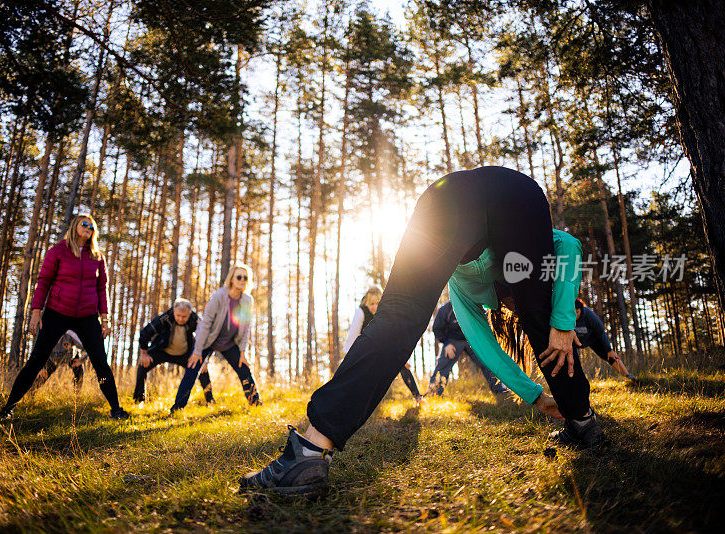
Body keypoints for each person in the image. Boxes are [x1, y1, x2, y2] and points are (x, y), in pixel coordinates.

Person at [240, 166, 605, 495]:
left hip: (447, 197)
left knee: (402, 315)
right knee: (405, 315)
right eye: (508, 307)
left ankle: (308, 452)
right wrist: (555, 341)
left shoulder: (490, 281)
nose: (508, 308)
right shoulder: (464, 292)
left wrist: (555, 336)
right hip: (499, 193)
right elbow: (489, 343)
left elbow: (565, 253)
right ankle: (583, 419)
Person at [0, 214, 129, 420]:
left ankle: (116, 410)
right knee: (37, 360)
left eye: (92, 226)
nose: (88, 228)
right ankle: (8, 409)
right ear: (74, 226)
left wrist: (106, 319)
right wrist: (36, 312)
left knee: (101, 362)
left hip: (87, 317)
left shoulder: (97, 257)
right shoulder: (58, 251)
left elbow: (102, 289)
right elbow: (44, 282)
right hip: (57, 313)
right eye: (84, 224)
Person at [170, 263, 261, 412]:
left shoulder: (247, 300)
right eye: (239, 277)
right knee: (192, 369)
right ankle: (177, 408)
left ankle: (256, 403)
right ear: (232, 279)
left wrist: (242, 352)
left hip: (229, 342)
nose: (242, 280)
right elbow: (205, 324)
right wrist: (198, 351)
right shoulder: (219, 296)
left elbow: (246, 327)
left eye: (245, 278)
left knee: (244, 369)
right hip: (208, 340)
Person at [344, 287, 424, 405]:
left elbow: (393, 337)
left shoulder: (387, 314)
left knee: (403, 364)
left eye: (378, 303)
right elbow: (352, 339)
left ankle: (418, 397)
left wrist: (402, 356)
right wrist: (352, 361)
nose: (375, 307)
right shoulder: (361, 313)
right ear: (366, 303)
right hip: (362, 350)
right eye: (372, 304)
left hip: (380, 348)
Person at [134, 298, 215, 404]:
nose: (181, 319)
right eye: (178, 316)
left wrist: (205, 360)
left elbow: (207, 339)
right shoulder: (165, 318)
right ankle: (139, 400)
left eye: (184, 316)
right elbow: (146, 332)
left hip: (185, 354)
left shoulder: (195, 320)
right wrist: (144, 354)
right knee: (142, 366)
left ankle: (210, 401)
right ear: (173, 311)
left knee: (201, 368)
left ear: (190, 313)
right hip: (162, 350)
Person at [428, 301, 509, 395]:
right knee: (443, 365)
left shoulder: (474, 306)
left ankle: (499, 390)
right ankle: (433, 392)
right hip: (453, 342)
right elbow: (437, 328)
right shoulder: (446, 309)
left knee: (487, 362)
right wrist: (446, 344)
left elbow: (486, 323)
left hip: (473, 340)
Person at [574, 299, 637, 380]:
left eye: (577, 312)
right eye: (573, 313)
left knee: (610, 356)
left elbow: (600, 331)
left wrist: (609, 350)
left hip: (593, 338)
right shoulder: (566, 317)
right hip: (576, 341)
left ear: (581, 310)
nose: (575, 315)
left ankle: (628, 375)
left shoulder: (588, 314)